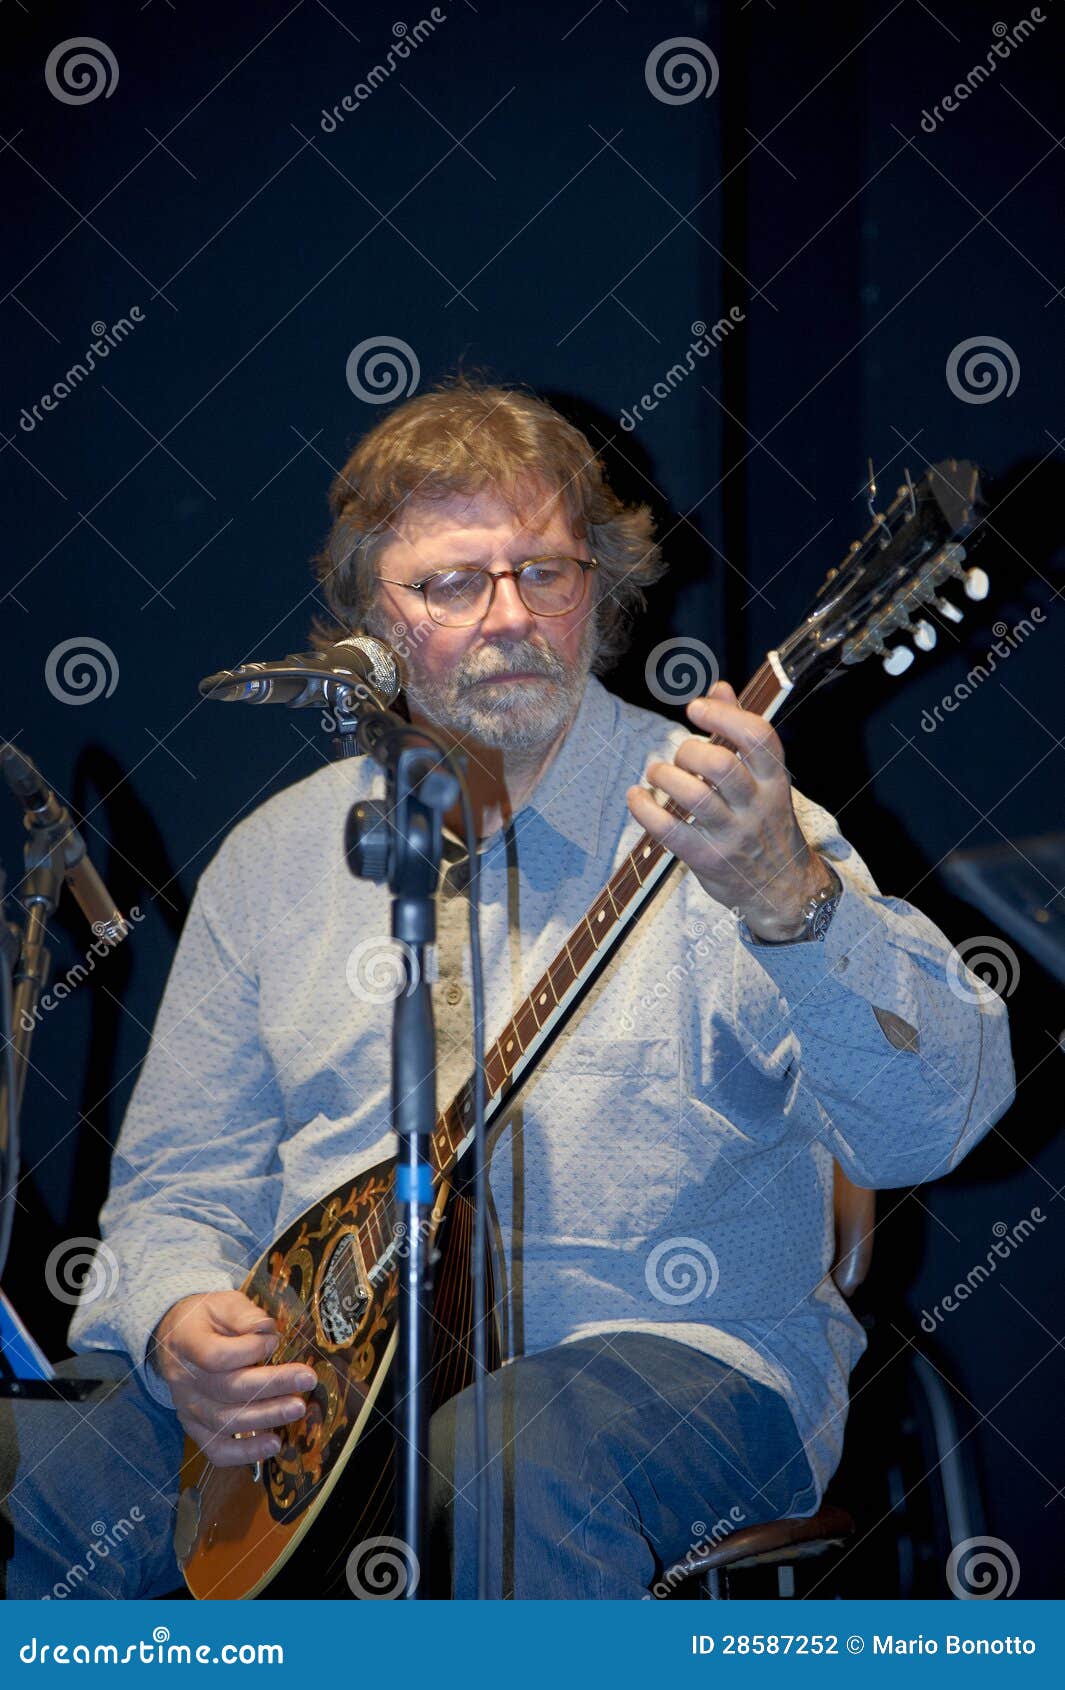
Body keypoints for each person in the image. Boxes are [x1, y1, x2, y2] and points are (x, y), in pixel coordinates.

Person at [1, 380, 1013, 1599]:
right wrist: (176, 1327)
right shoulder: (276, 862)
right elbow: (177, 1183)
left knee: (499, 1461)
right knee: (34, 1481)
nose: (510, 617)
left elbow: (934, 1120)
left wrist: (791, 903)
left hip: (670, 1365)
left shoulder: (738, 827)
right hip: (330, 1399)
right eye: (451, 584)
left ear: (605, 590)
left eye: (547, 572)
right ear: (369, 620)